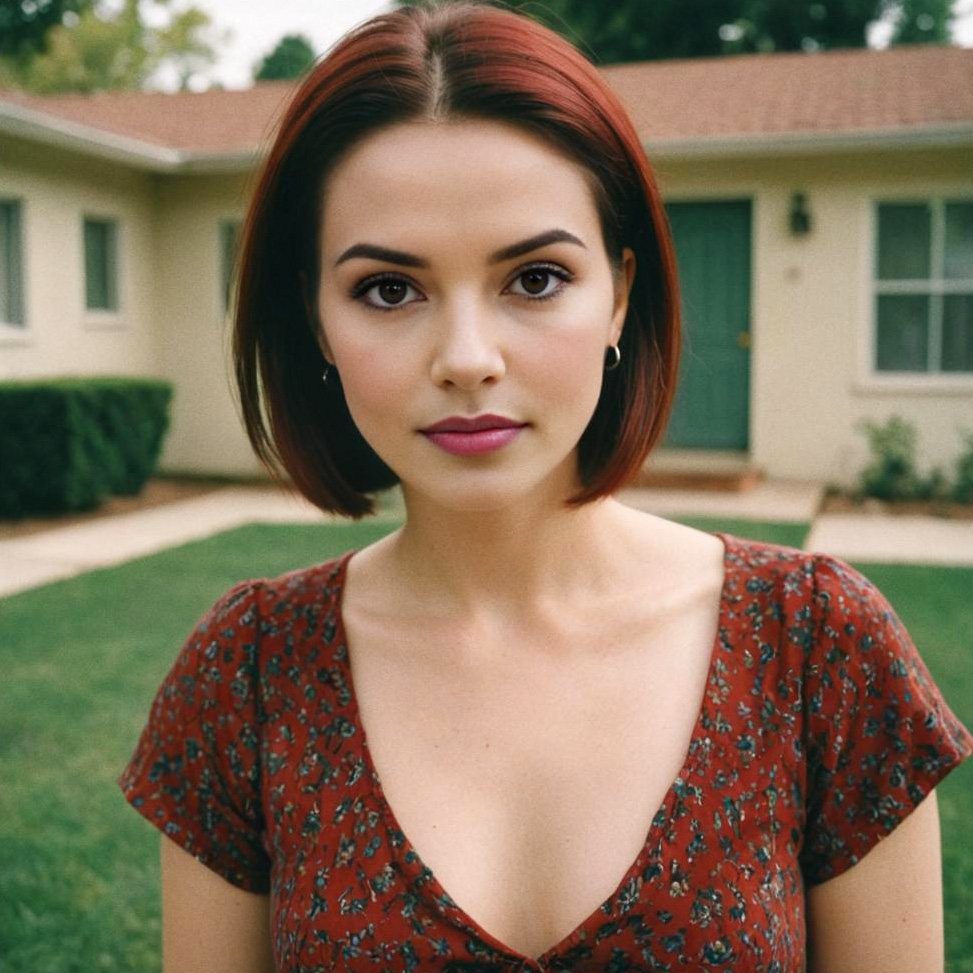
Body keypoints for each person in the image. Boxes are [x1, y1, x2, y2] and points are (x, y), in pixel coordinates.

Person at [118, 2, 973, 971]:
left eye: (532, 278)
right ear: (315, 322)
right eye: (388, 289)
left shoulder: (818, 650)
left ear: (617, 294)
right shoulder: (249, 678)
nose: (467, 358)